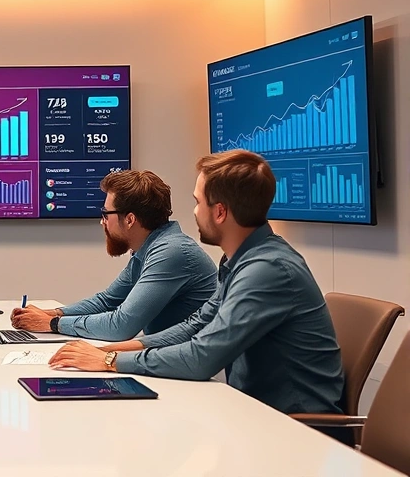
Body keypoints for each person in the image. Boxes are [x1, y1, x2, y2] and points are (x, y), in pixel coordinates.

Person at [49, 150, 344, 419]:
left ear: (219, 212)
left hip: (292, 430)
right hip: (253, 413)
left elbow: (202, 357)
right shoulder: (243, 260)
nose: (192, 212)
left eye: (197, 202)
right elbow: (197, 325)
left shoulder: (267, 270)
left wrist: (111, 360)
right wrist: (113, 351)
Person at [10, 170, 216, 341]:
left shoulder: (171, 252)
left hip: (202, 377)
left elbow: (121, 326)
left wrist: (52, 324)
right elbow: (107, 301)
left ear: (130, 219)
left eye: (106, 214)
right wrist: (52, 314)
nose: (102, 222)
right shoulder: (150, 248)